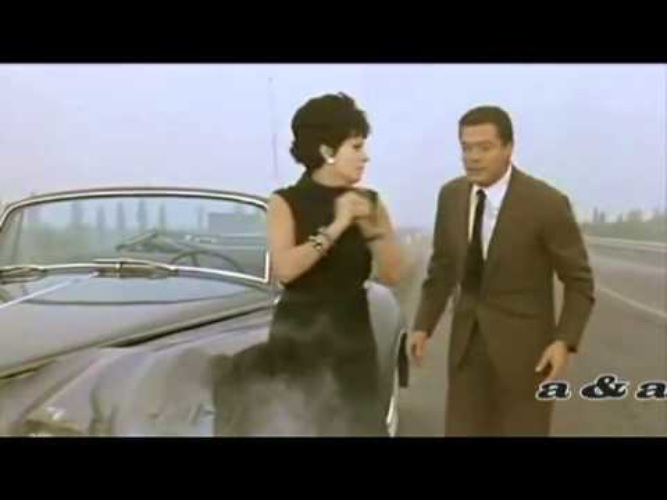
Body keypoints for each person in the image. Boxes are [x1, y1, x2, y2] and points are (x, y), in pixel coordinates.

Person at [408, 105, 595, 436]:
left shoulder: (546, 203)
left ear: (509, 148)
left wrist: (563, 341)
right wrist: (423, 325)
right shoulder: (451, 196)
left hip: (527, 357)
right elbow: (442, 268)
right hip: (466, 351)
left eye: (484, 148)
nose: (473, 157)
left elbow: (579, 282)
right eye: (466, 148)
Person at [256, 92, 405, 436]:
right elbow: (286, 270)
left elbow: (394, 273)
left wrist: (372, 229)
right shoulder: (285, 202)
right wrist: (338, 225)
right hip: (299, 339)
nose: (365, 156)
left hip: (353, 338)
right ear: (327, 151)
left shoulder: (370, 202)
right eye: (356, 146)